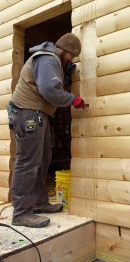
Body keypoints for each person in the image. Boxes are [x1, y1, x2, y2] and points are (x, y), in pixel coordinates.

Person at [7, 33, 85, 228]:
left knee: (42, 160)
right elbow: (49, 89)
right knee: (28, 162)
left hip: (37, 114)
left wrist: (64, 74)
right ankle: (21, 213)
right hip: (28, 113)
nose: (71, 60)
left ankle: (39, 203)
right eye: (72, 56)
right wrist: (72, 99)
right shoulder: (48, 59)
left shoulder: (50, 60)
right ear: (67, 51)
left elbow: (48, 83)